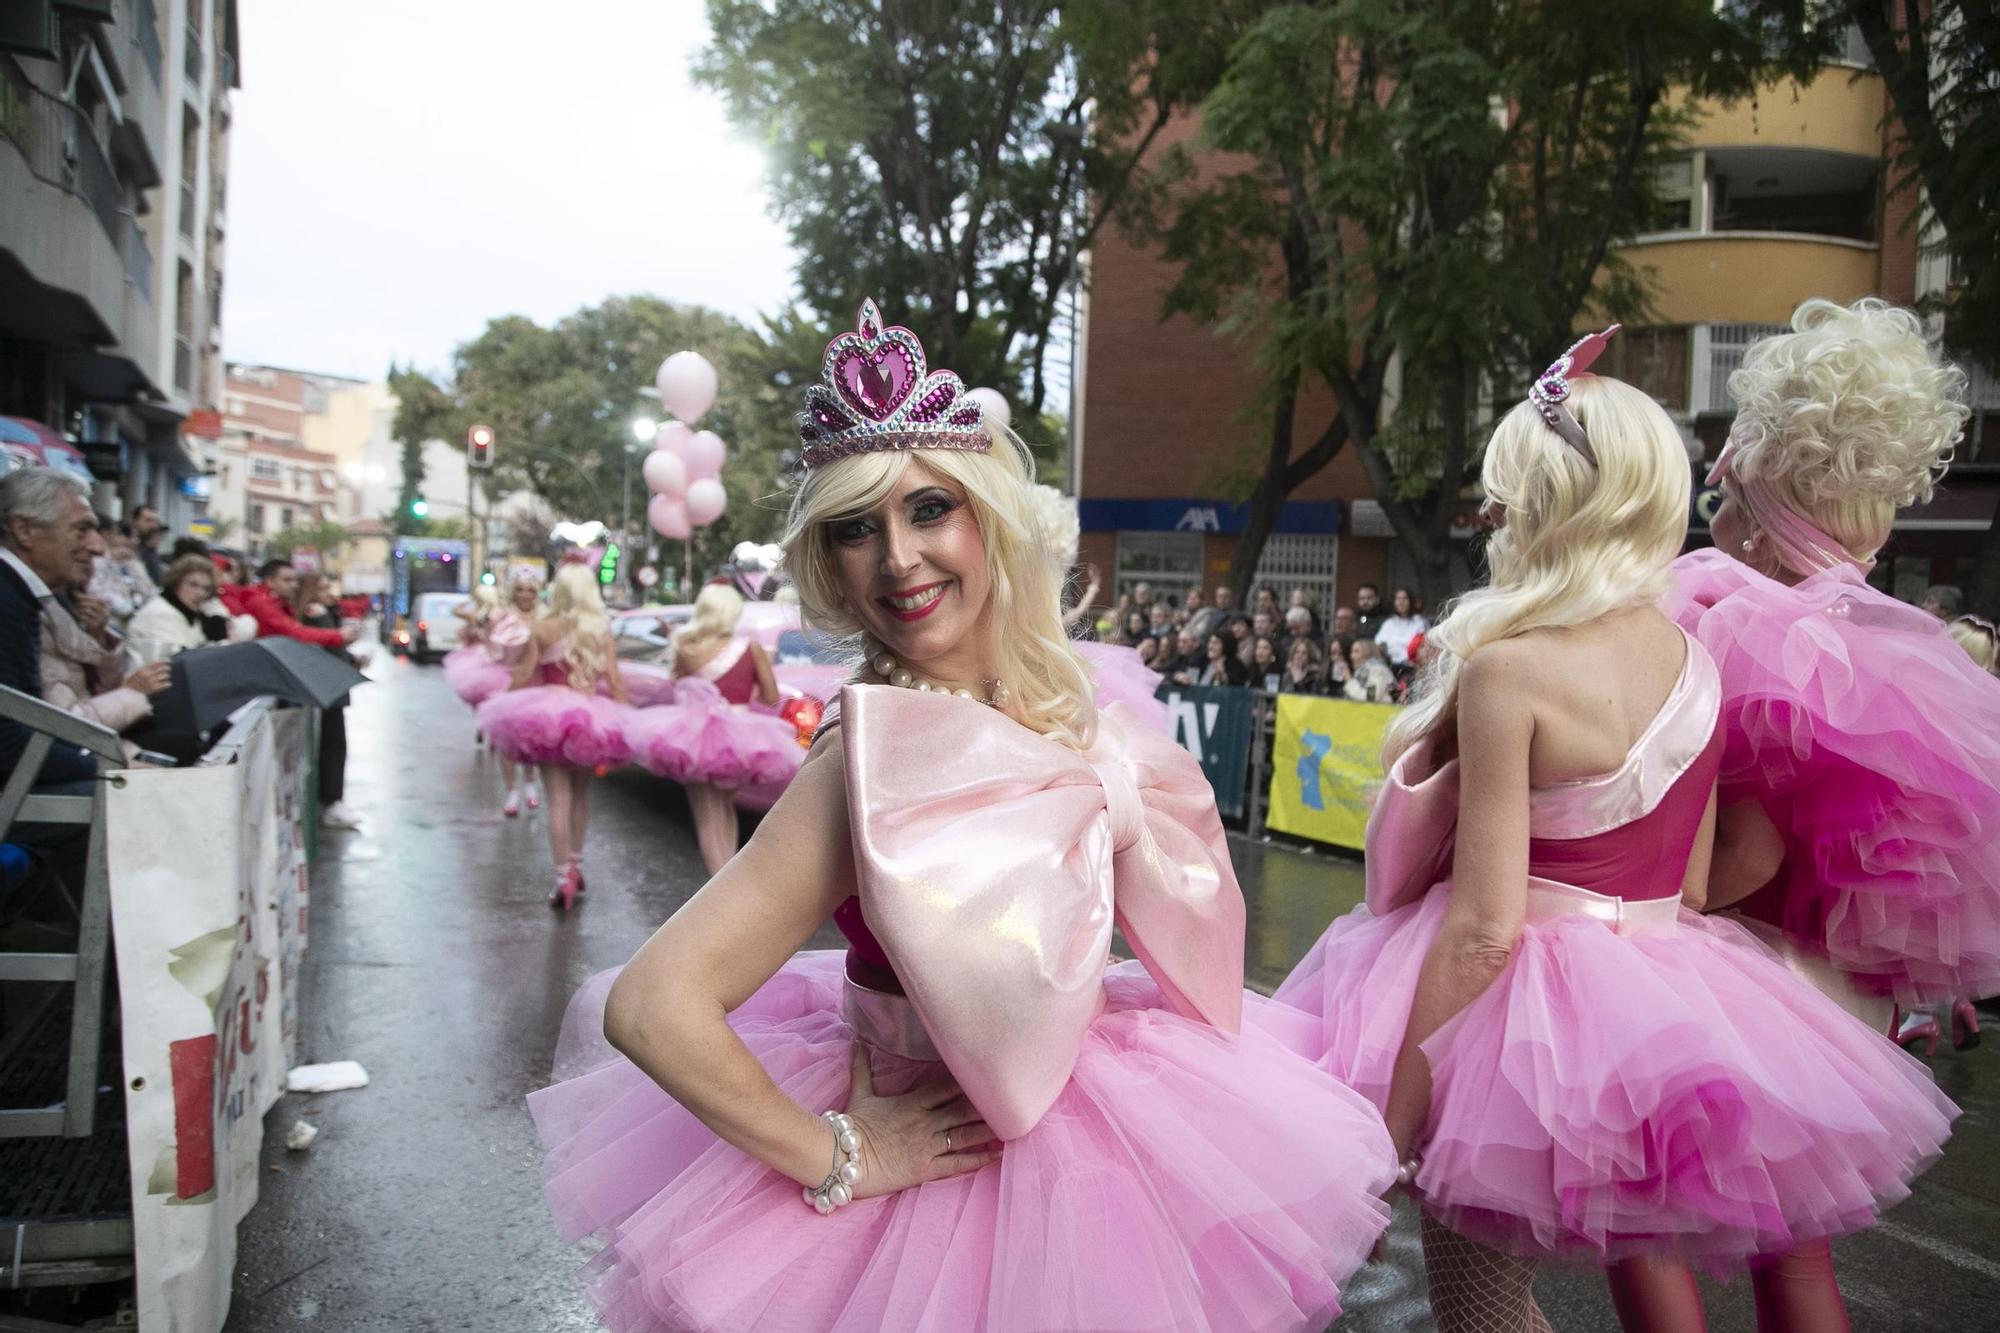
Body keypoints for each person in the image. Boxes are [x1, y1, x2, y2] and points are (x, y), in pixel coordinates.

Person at [527, 298, 1395, 1332]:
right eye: (855, 528)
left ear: (986, 518)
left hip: (1100, 1146)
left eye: (927, 508)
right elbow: (652, 1003)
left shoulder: (1080, 697)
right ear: (829, 566)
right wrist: (842, 1152)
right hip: (934, 1184)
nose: (897, 557)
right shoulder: (856, 765)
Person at [1278, 329, 1956, 1333]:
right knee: (1497, 1306)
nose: (1492, 509)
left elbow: (1480, 930)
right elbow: (1684, 890)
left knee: (1477, 1310)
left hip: (1499, 1027)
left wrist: (1387, 1133)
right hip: (1648, 1000)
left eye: (1504, 489)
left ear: (1543, 504)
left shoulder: (1508, 669)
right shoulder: (1698, 661)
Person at [1668, 298, 2000, 1074]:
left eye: (1725, 492)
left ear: (1759, 522)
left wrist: (1654, 917)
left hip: (1746, 986)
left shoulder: (1748, 639)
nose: (1711, 506)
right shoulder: (1877, 656)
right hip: (1831, 1003)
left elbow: (1750, 853)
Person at [477, 563, 635, 909]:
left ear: (558, 591)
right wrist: (629, 722)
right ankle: (576, 866)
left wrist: (501, 701)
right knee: (581, 796)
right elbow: (616, 680)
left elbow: (524, 675)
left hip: (548, 715)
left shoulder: (543, 628)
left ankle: (563, 877)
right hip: (591, 716)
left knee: (557, 800)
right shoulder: (600, 629)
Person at [629, 584, 797, 876]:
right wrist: (747, 684)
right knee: (726, 808)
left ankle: (717, 890)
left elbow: (678, 686)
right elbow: (771, 698)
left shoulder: (687, 647)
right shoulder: (751, 648)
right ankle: (728, 883)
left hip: (695, 735)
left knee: (706, 816)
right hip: (737, 735)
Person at [292, 572, 360, 831]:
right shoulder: (315, 614)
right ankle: (331, 800)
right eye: (322, 589)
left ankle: (333, 798)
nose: (329, 593)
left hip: (332, 689)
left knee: (335, 743)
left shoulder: (327, 612)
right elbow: (330, 645)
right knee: (332, 744)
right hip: (324, 691)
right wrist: (323, 617)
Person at [126, 553, 232, 664]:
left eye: (206, 588)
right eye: (193, 584)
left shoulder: (190, 614)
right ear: (177, 582)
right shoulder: (159, 613)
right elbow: (182, 663)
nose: (200, 593)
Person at [243, 559, 357, 652]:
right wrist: (337, 635)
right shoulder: (260, 602)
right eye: (287, 580)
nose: (294, 585)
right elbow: (294, 632)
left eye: (295, 580)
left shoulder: (281, 603)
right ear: (270, 581)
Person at [88, 518, 156, 629]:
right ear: (105, 534)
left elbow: (138, 588)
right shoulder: (96, 560)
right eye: (116, 534)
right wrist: (126, 608)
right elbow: (98, 591)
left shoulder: (121, 559)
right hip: (110, 622)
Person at [1373, 587, 1429, 668]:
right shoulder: (1389, 623)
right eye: (1398, 599)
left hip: (1412, 666)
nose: (1401, 602)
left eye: (1405, 599)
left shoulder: (1420, 622)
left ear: (1411, 601)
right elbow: (1378, 644)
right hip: (1390, 666)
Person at [1342, 638, 1396, 702]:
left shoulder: (1378, 671)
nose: (1352, 656)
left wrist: (1349, 681)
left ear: (1368, 653)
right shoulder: (1359, 673)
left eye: (1356, 651)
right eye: (1352, 652)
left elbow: (1370, 697)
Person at [130, 503, 165, 585]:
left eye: (155, 521)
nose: (153, 526)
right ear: (135, 522)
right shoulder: (130, 548)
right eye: (148, 521)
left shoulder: (151, 550)